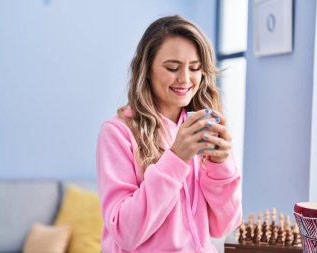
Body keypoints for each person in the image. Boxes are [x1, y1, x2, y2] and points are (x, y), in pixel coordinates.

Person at [96, 15, 242, 253]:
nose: (185, 79)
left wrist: (221, 164)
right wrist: (176, 158)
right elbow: (124, 232)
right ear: (147, 69)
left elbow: (223, 226)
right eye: (172, 68)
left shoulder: (202, 127)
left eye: (195, 68)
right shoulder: (118, 133)